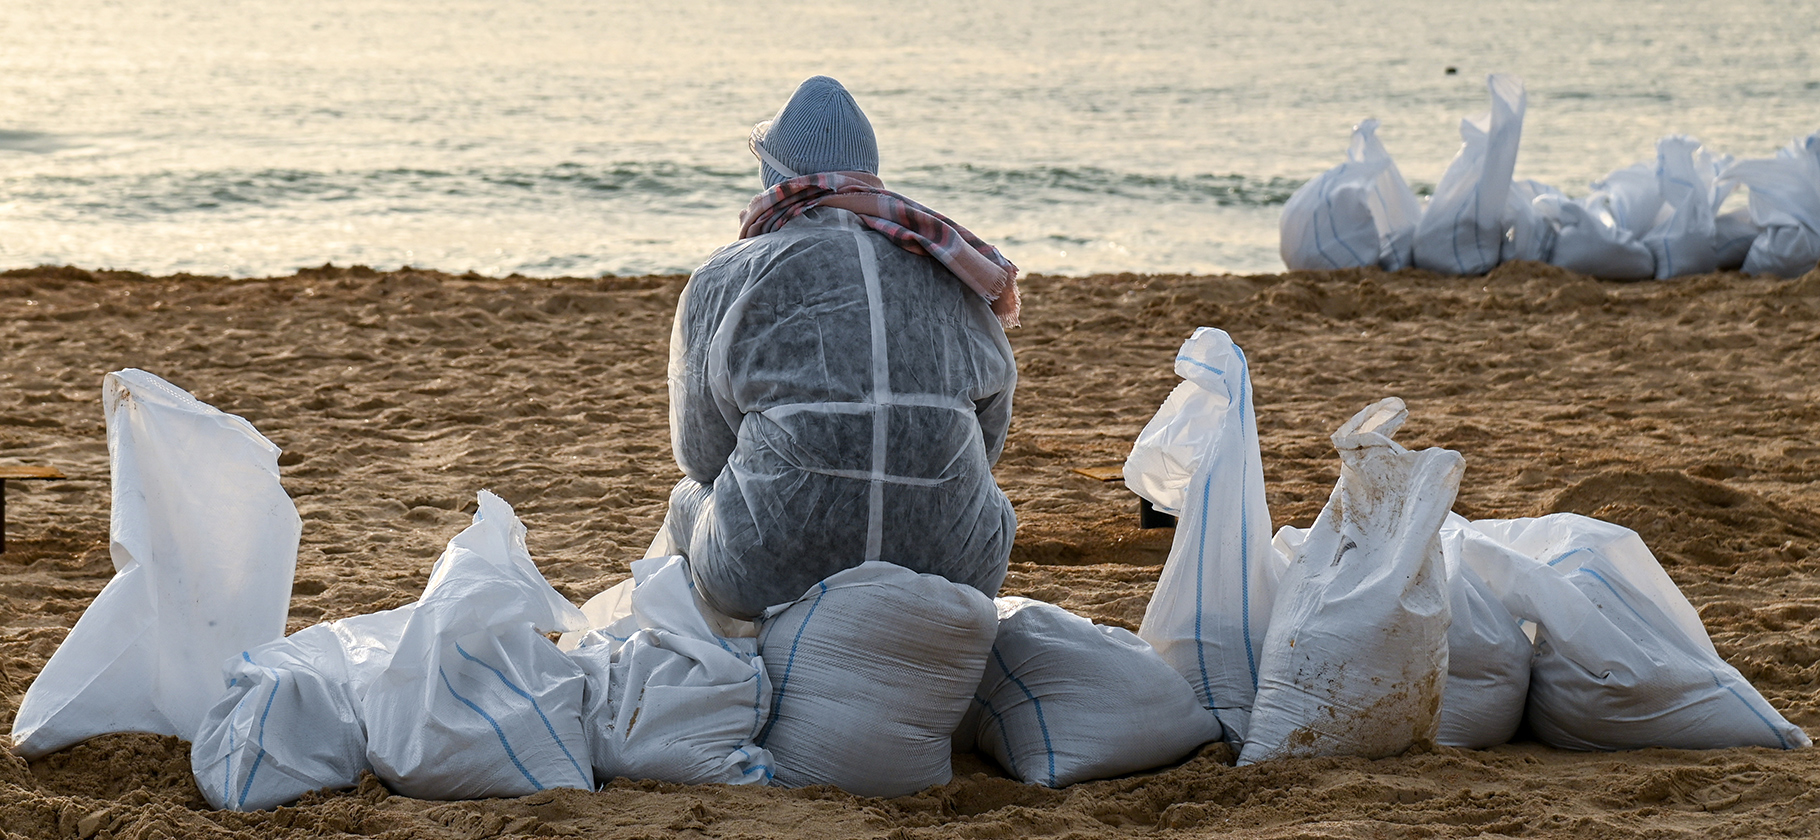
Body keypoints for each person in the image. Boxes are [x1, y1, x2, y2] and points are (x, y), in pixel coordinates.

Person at [654, 75, 1021, 620]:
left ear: (774, 175)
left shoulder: (726, 275)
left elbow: (703, 455)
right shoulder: (946, 265)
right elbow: (987, 441)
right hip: (958, 569)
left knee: (689, 495)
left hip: (764, 574)